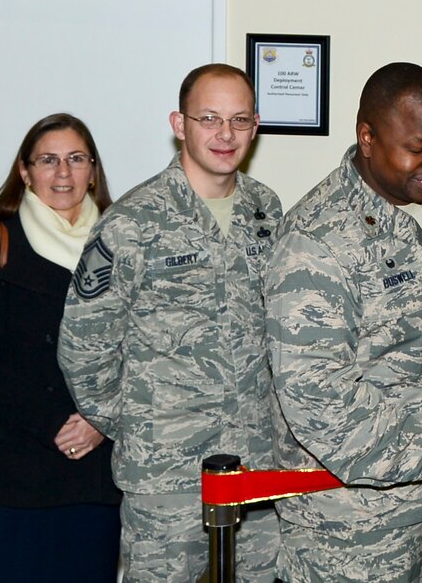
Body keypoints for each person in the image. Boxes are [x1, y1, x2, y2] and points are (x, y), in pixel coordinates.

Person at [264, 62, 422, 582]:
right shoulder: (316, 241)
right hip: (356, 530)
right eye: (417, 148)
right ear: (367, 138)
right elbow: (318, 397)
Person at [57, 63, 289, 582]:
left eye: (239, 120)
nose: (225, 134)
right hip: (166, 475)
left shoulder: (266, 211)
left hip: (256, 464)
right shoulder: (133, 221)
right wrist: (137, 424)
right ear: (179, 125)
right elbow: (84, 345)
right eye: (209, 118)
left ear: (255, 126)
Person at [0, 113, 124, 581]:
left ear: (92, 171)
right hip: (13, 474)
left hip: (96, 475)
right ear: (25, 171)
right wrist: (53, 423)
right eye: (48, 160)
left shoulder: (124, 242)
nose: (63, 173)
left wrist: (100, 419)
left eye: (76, 159)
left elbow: (146, 349)